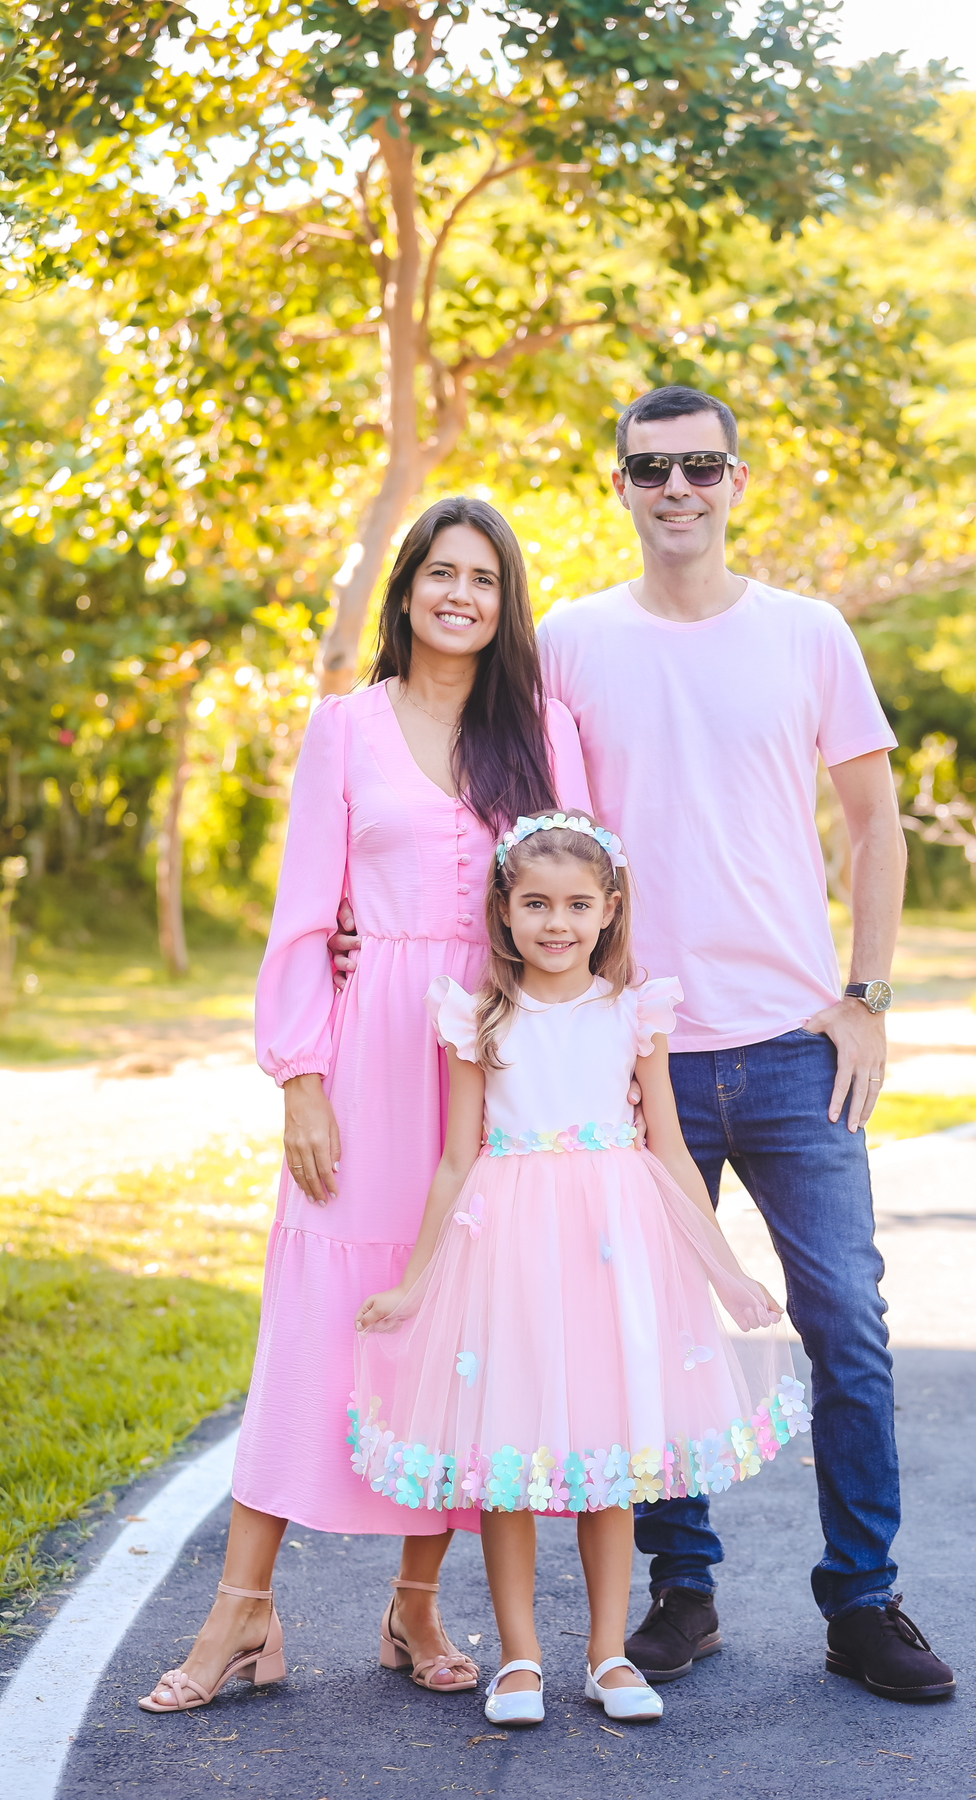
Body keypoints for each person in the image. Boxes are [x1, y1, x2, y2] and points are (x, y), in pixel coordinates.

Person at [535, 386, 956, 1703]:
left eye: (701, 466)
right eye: (652, 467)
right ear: (619, 484)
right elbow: (530, 836)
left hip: (791, 1048)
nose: (678, 487)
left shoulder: (808, 632)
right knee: (657, 1335)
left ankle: (864, 1602)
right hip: (636, 1054)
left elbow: (875, 824)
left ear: (735, 479)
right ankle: (685, 1590)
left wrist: (866, 996)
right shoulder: (570, 641)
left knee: (849, 1327)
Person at [139, 497, 591, 1714]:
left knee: (457, 1325)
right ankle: (242, 1610)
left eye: (484, 579)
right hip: (366, 1051)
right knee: (316, 1318)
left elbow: (583, 896)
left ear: (506, 604)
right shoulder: (345, 725)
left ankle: (414, 1605)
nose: (460, 595)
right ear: (405, 591)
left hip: (499, 1054)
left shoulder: (544, 731)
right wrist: (300, 1078)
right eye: (441, 573)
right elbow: (305, 909)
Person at [350, 814, 806, 1728]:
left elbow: (670, 1148)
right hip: (510, 1251)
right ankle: (518, 1659)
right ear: (504, 909)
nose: (555, 923)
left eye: (575, 905)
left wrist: (725, 1271)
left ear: (608, 910)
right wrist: (414, 1283)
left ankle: (607, 1655)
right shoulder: (479, 1017)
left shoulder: (635, 1012)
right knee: (508, 1456)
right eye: (535, 903)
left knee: (613, 1450)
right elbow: (456, 1159)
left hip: (612, 1251)